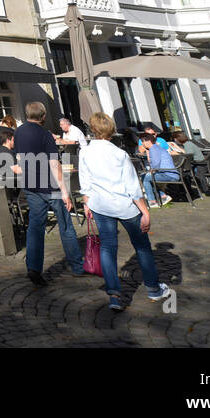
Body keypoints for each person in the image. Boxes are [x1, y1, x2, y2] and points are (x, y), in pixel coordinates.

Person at [78, 112, 172, 311]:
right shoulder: (119, 154)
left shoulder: (85, 152)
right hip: (124, 206)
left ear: (93, 130)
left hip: (100, 205)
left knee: (107, 247)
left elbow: (85, 181)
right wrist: (145, 211)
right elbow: (132, 186)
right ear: (111, 131)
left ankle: (114, 295)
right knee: (142, 246)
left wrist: (87, 203)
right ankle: (153, 289)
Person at [15, 101, 86, 286]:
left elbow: (20, 159)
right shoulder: (45, 135)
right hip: (51, 187)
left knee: (36, 228)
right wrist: (65, 192)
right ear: (43, 116)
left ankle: (33, 268)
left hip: (31, 186)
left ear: (27, 114)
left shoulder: (19, 132)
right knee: (65, 226)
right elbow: (54, 164)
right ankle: (77, 266)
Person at [138, 132, 179, 206]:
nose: (142, 144)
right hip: (171, 174)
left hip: (168, 174)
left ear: (149, 141)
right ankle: (163, 196)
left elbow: (155, 165)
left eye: (143, 141)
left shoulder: (154, 149)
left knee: (145, 177)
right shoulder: (156, 148)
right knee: (149, 177)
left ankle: (152, 202)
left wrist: (150, 171)